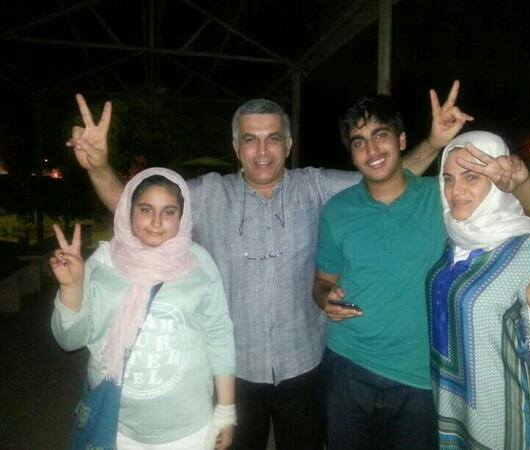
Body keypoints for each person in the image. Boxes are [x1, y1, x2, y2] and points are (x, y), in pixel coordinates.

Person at [66, 82, 475, 450]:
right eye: (250, 140)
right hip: (236, 370)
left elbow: (385, 174)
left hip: (306, 366)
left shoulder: (315, 186)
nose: (262, 151)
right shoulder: (208, 195)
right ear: (235, 146)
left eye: (272, 139)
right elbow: (135, 208)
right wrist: (100, 167)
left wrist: (434, 143)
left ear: (289, 143)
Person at [313, 97, 530, 450]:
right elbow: (323, 282)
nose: (371, 148)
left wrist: (520, 180)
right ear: (351, 153)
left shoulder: (444, 197)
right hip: (347, 366)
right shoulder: (337, 210)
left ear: (401, 140)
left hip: (420, 377)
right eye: (359, 141)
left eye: (380, 134)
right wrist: (326, 298)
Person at [51, 168, 236, 450]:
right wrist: (71, 286)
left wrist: (225, 410)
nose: (157, 222)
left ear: (183, 216)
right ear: (128, 210)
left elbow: (219, 334)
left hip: (188, 426)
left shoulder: (198, 261)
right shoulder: (104, 263)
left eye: (170, 212)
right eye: (146, 209)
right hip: (118, 424)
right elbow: (69, 340)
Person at [427, 130, 530, 449]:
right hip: (453, 413)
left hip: (509, 425)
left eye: (471, 177)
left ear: (497, 182)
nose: (456, 190)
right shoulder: (456, 238)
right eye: (449, 179)